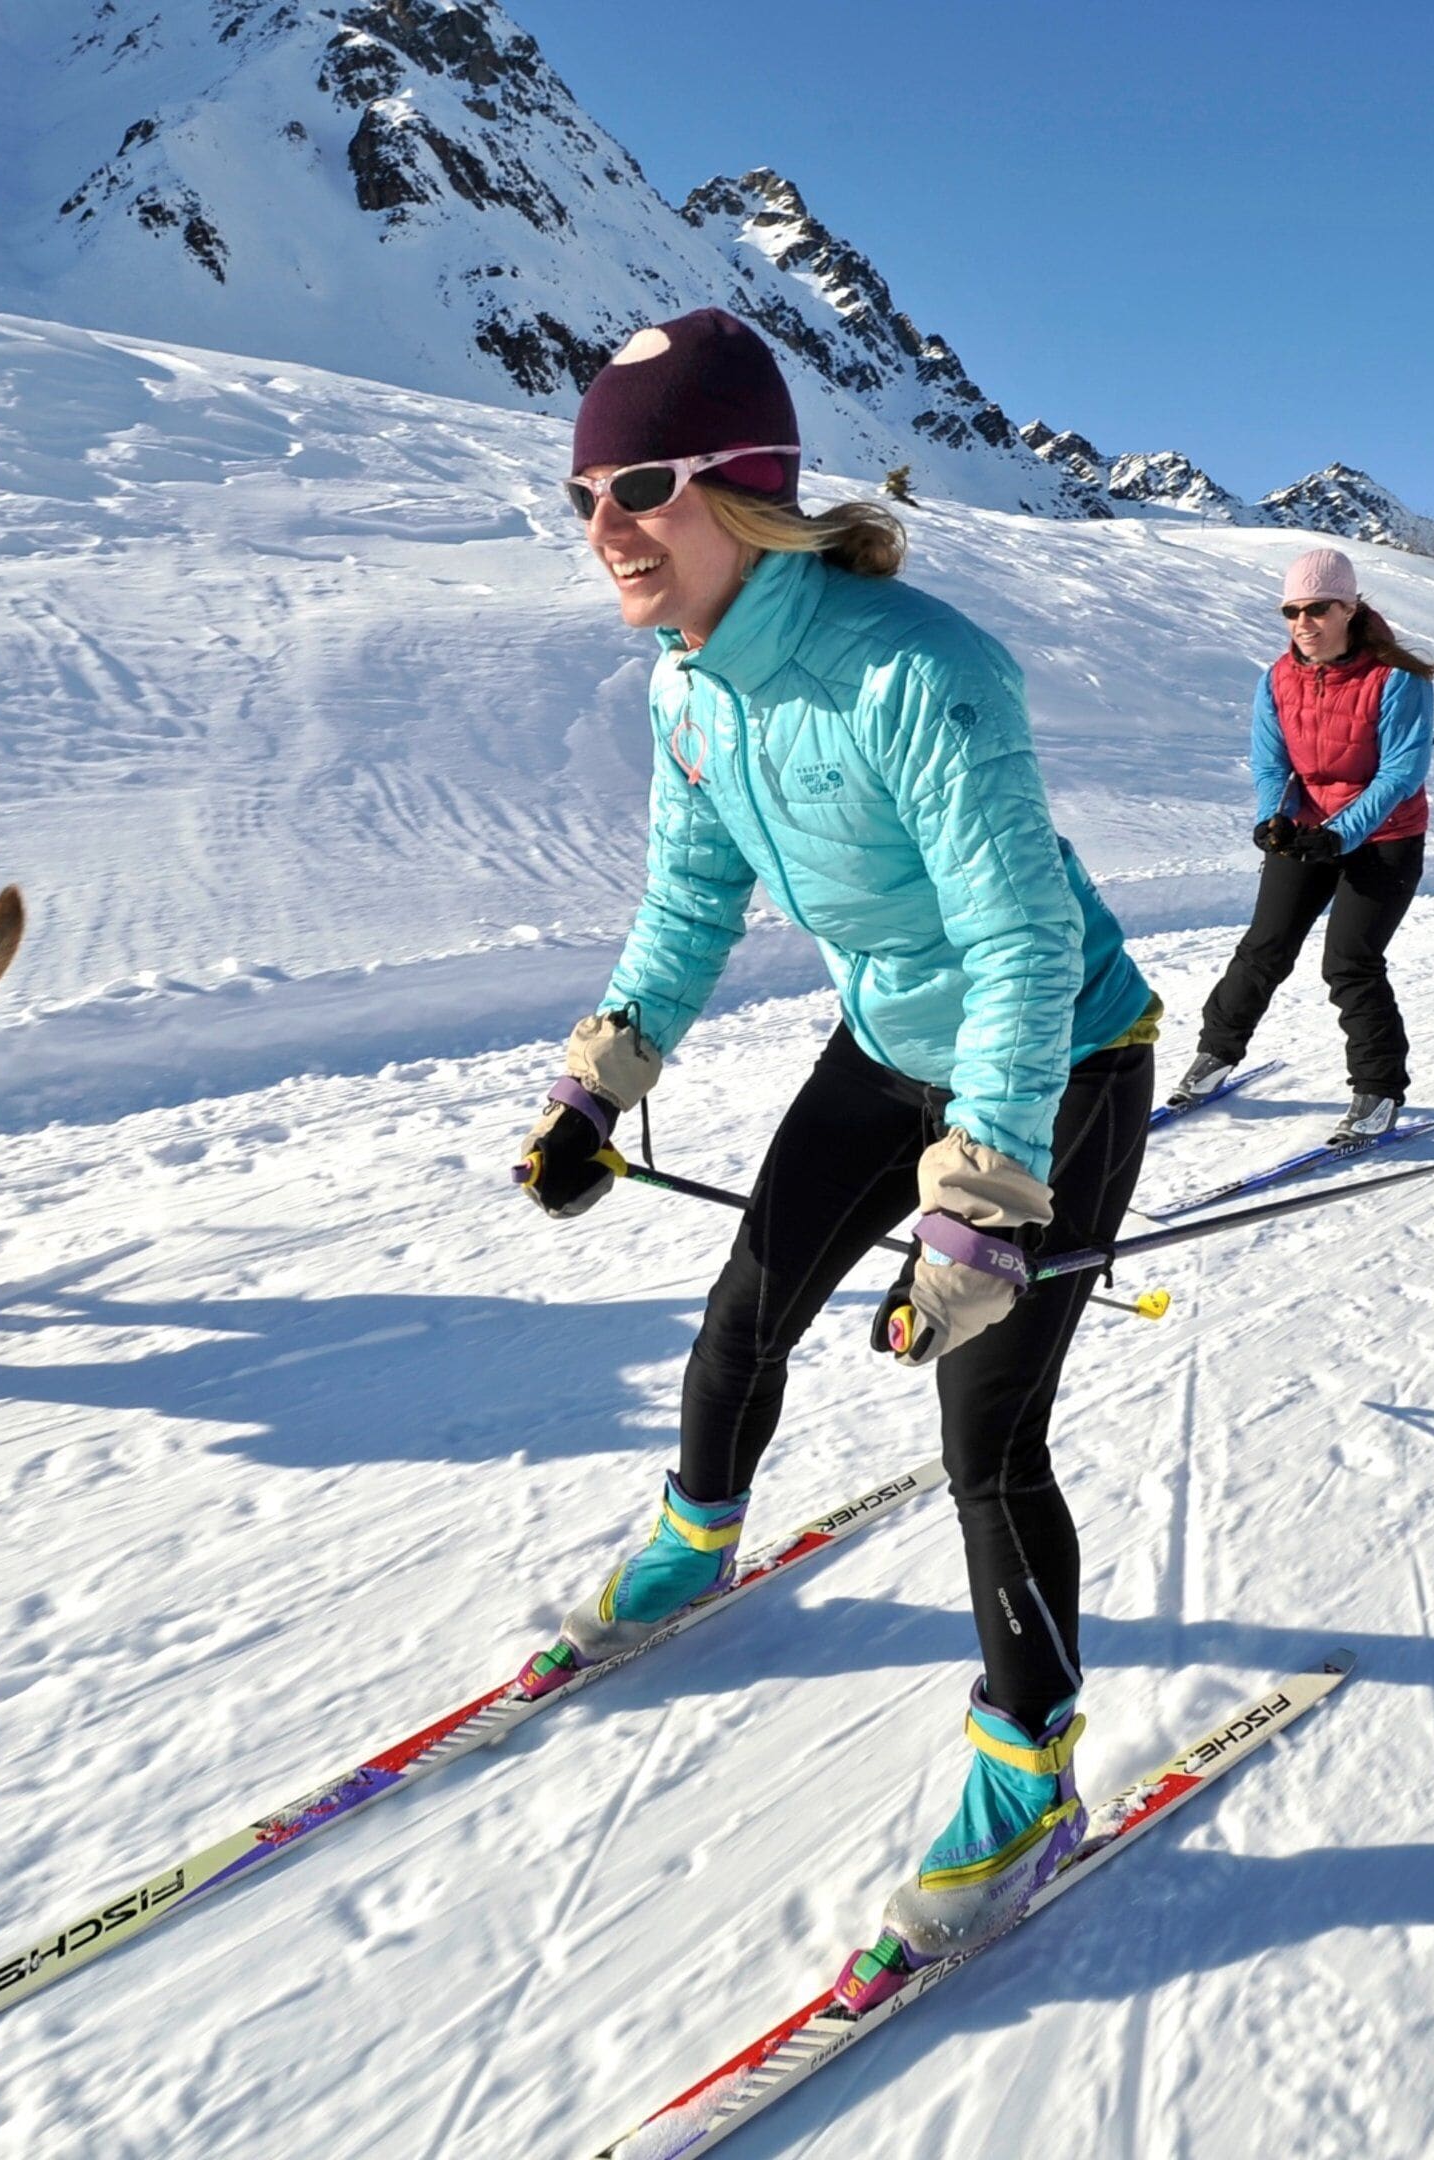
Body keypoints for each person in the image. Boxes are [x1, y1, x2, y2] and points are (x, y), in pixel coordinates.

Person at [505, 308, 1161, 2005]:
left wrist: (985, 1193)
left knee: (985, 1439)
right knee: (750, 1301)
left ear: (748, 490)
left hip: (1058, 1066)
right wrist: (606, 1076)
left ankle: (1027, 1781)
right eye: (582, 492)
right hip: (888, 1046)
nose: (605, 528)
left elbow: (1021, 944)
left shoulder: (917, 671)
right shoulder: (692, 689)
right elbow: (691, 899)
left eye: (640, 484)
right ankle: (694, 1536)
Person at [1162, 547, 1434, 1137]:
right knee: (1264, 946)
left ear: (1349, 608)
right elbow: (1270, 763)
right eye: (1291, 611)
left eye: (1317, 609)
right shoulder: (1278, 678)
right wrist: (1277, 819)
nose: (1303, 623)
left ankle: (1378, 1092)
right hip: (1310, 832)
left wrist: (1342, 833)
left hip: (1384, 836)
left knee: (1351, 962)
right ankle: (1215, 1054)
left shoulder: (1397, 679)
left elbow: (1401, 774)